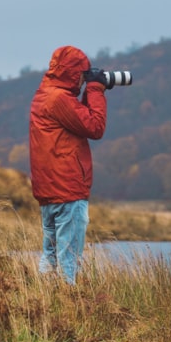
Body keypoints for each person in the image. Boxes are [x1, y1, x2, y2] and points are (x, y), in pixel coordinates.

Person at [28, 45, 110, 284]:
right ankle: (67, 306)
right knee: (68, 258)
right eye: (83, 74)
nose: (84, 79)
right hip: (68, 190)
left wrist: (88, 91)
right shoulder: (59, 99)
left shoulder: (45, 94)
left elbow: (78, 119)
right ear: (74, 73)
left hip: (50, 190)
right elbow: (95, 127)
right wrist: (95, 88)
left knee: (51, 254)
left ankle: (43, 298)